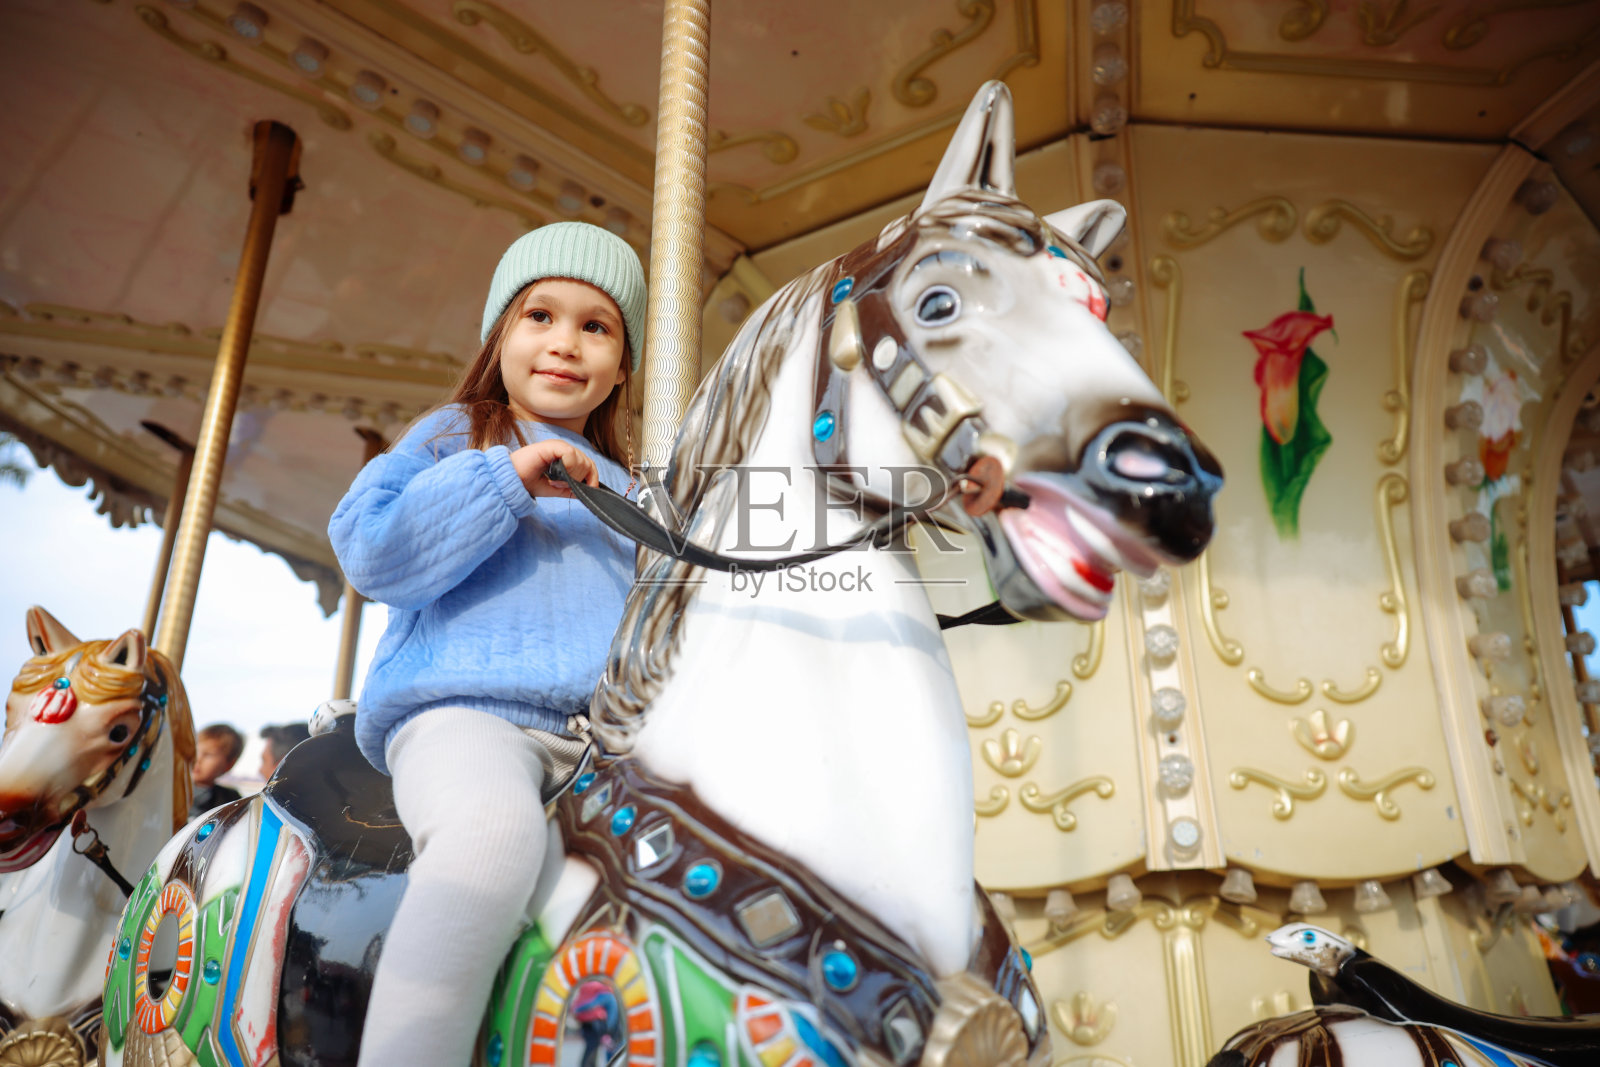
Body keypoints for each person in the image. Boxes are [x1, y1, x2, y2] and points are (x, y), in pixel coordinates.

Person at [329, 221, 643, 1067]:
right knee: (491, 837)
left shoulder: (636, 491)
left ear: (622, 363)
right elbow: (372, 550)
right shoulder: (451, 435)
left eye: (597, 326)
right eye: (540, 315)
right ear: (499, 333)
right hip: (468, 715)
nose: (565, 344)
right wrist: (505, 479)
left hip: (600, 745)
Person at [189, 723, 243, 819]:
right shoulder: (170, 788)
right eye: (195, 751)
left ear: (229, 764)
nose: (198, 759)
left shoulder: (230, 802)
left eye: (208, 754)